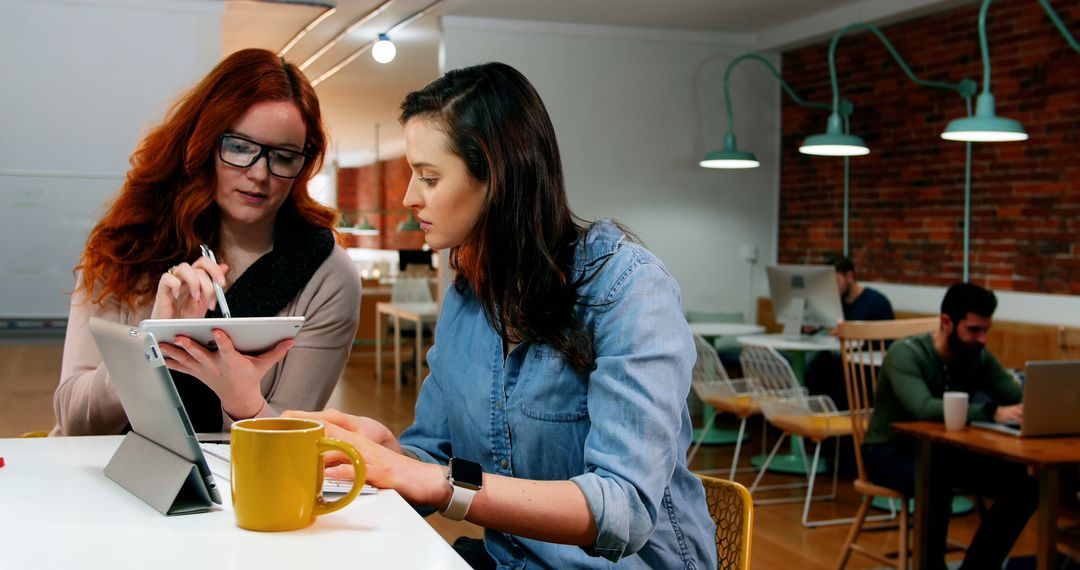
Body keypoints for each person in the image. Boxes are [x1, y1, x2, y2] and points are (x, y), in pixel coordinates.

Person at [287, 62, 716, 569]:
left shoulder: (630, 288)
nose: (408, 197)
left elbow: (622, 510)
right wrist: (389, 457)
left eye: (428, 176)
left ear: (497, 177)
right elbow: (432, 459)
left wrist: (431, 479)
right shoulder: (469, 298)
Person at [52, 48, 361, 435]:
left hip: (233, 489)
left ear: (304, 163)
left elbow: (286, 444)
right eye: (240, 148)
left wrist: (242, 399)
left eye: (283, 156)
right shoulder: (127, 244)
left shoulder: (328, 275)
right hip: (104, 478)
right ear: (203, 142)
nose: (260, 174)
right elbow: (75, 422)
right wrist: (151, 341)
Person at [862, 282, 1037, 570]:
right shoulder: (906, 354)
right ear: (946, 322)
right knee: (937, 477)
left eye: (986, 330)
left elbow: (1014, 396)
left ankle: (979, 567)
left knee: (1025, 486)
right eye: (973, 330)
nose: (982, 338)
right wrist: (991, 412)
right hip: (888, 451)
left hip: (946, 452)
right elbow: (923, 407)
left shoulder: (976, 355)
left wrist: (1037, 404)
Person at [805, 255, 894, 409]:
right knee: (814, 368)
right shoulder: (835, 303)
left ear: (850, 277)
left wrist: (849, 335)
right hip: (838, 363)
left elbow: (885, 342)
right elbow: (820, 328)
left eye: (835, 282)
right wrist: (809, 327)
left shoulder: (877, 302)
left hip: (863, 369)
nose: (831, 289)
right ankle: (814, 421)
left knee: (823, 371)